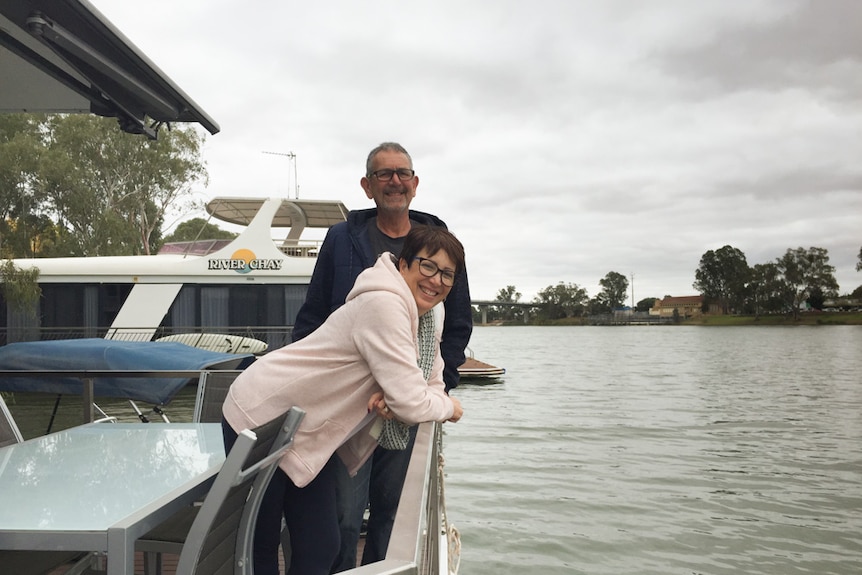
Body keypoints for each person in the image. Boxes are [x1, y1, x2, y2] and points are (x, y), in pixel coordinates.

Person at [222, 225, 466, 575]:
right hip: (259, 413)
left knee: (321, 545)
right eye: (427, 266)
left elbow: (430, 381)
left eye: (447, 274)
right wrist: (448, 408)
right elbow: (413, 401)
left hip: (304, 431)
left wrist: (401, 394)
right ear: (403, 265)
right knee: (260, 543)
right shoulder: (384, 304)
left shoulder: (427, 318)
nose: (436, 280)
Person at [292, 142, 473, 570]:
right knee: (344, 513)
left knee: (393, 514)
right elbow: (315, 315)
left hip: (405, 406)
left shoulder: (438, 243)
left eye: (402, 173)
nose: (394, 181)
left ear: (415, 184)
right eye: (383, 174)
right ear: (367, 186)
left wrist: (422, 389)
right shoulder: (342, 239)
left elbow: (457, 324)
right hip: (350, 404)